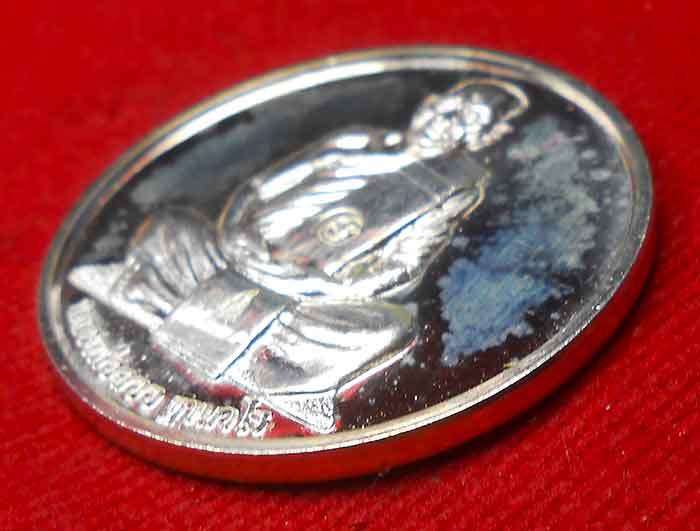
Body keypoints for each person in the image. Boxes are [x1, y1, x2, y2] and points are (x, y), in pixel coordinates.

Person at [70, 78, 529, 432]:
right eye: (450, 108)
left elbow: (406, 265)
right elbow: (259, 188)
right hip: (235, 252)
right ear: (430, 104)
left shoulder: (450, 191)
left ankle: (278, 379)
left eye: (468, 122)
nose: (448, 122)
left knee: (388, 329)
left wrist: (322, 287)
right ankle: (145, 291)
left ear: (481, 138)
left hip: (307, 296)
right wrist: (237, 235)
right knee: (172, 227)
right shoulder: (355, 142)